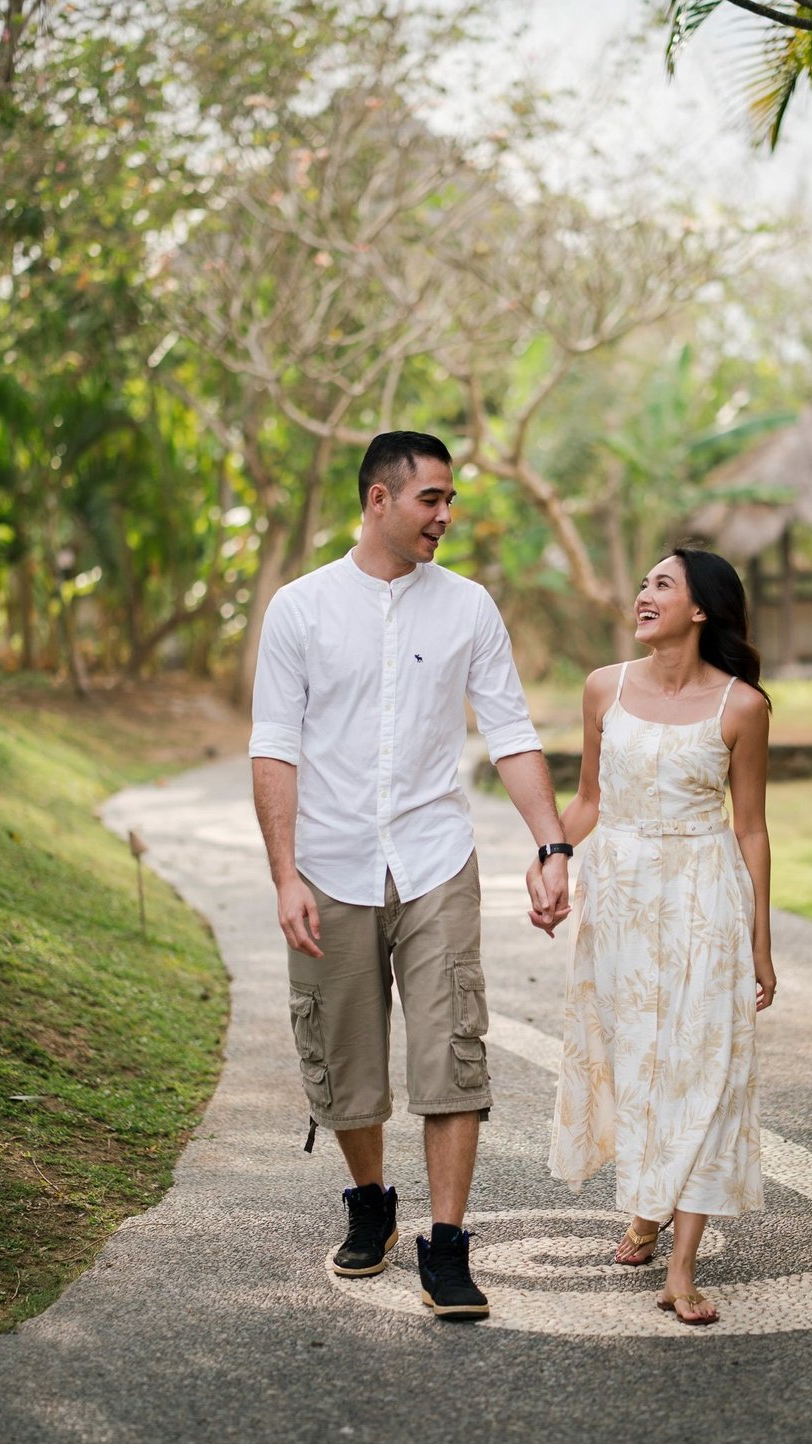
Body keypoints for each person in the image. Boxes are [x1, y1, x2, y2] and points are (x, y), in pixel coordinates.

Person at [249, 430, 571, 1322]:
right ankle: (371, 1203)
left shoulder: (468, 607)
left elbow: (510, 731)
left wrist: (551, 844)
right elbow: (275, 750)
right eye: (432, 498)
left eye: (450, 498)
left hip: (435, 861)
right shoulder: (300, 609)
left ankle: (448, 1245)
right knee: (346, 1057)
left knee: (450, 1050)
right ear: (379, 499)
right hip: (331, 864)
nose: (446, 515)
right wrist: (285, 874)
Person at [542, 547, 775, 1326]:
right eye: (642, 582)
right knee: (638, 1061)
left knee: (704, 1068)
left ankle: (681, 1266)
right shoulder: (604, 688)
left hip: (703, 896)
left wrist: (760, 942)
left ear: (701, 608)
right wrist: (548, 861)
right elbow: (586, 802)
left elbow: (750, 830)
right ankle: (647, 1202)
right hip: (621, 898)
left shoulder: (740, 707)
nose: (643, 593)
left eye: (662, 585)